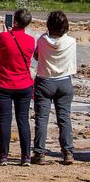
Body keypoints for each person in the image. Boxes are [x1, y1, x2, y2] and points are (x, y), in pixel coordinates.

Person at [31, 11, 76, 165]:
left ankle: (39, 153)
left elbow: (36, 56)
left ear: (49, 25)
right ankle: (68, 152)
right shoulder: (71, 41)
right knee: (64, 118)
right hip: (64, 81)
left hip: (45, 81)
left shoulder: (42, 40)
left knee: (42, 118)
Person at [0, 8, 35, 166]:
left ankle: (3, 156)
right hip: (24, 84)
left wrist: (5, 33)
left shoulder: (3, 36)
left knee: (5, 120)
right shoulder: (31, 40)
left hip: (4, 83)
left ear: (14, 21)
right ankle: (26, 157)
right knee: (23, 120)